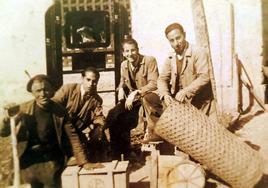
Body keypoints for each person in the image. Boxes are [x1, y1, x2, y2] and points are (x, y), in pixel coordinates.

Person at [0, 74, 92, 188]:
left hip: (51, 161)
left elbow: (73, 137)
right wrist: (6, 118)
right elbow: (3, 132)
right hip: (27, 161)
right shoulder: (23, 109)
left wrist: (83, 161)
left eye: (46, 90)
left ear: (52, 91)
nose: (42, 94)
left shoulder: (60, 112)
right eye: (38, 91)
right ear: (32, 93)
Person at [142, 22, 217, 142]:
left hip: (197, 101)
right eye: (172, 40)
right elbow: (162, 79)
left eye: (178, 38)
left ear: (184, 35)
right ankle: (160, 134)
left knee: (199, 141)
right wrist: (165, 94)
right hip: (178, 103)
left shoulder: (198, 52)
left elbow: (204, 77)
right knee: (149, 98)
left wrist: (185, 91)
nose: (176, 43)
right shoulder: (171, 57)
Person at [105, 38, 159, 160]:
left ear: (138, 50)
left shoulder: (149, 60)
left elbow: (154, 83)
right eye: (127, 51)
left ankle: (144, 143)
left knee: (138, 111)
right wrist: (120, 89)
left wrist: (136, 92)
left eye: (133, 50)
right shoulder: (124, 65)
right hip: (134, 101)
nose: (130, 54)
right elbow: (122, 82)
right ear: (123, 53)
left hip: (148, 99)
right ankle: (119, 152)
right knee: (115, 115)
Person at [53, 67, 108, 162]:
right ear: (82, 78)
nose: (91, 84)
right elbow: (53, 104)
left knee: (84, 155)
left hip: (75, 134)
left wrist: (98, 127)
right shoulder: (68, 89)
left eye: (94, 81)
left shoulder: (96, 100)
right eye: (88, 80)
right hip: (58, 131)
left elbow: (98, 116)